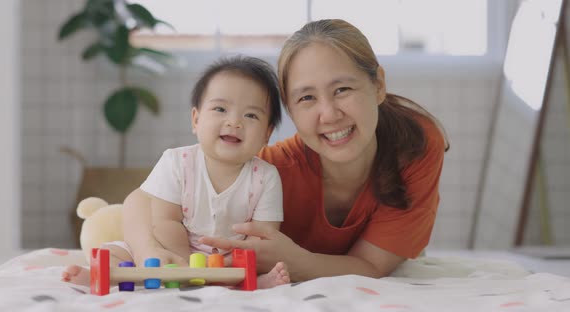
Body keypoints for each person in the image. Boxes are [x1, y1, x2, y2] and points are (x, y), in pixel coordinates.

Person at [129, 18, 448, 282]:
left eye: (342, 89)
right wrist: (149, 253)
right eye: (306, 98)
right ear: (290, 111)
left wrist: (298, 261)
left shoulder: (414, 144)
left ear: (378, 84)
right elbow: (138, 203)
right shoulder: (272, 168)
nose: (329, 114)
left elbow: (374, 266)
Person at [62, 56, 290, 289]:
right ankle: (97, 274)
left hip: (229, 259)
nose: (234, 122)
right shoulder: (177, 162)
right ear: (196, 120)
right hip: (170, 248)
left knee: (262, 260)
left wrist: (227, 264)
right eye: (220, 109)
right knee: (113, 252)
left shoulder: (266, 177)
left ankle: (252, 281)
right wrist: (180, 264)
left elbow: (262, 236)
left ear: (267, 134)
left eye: (251, 115)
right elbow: (165, 220)